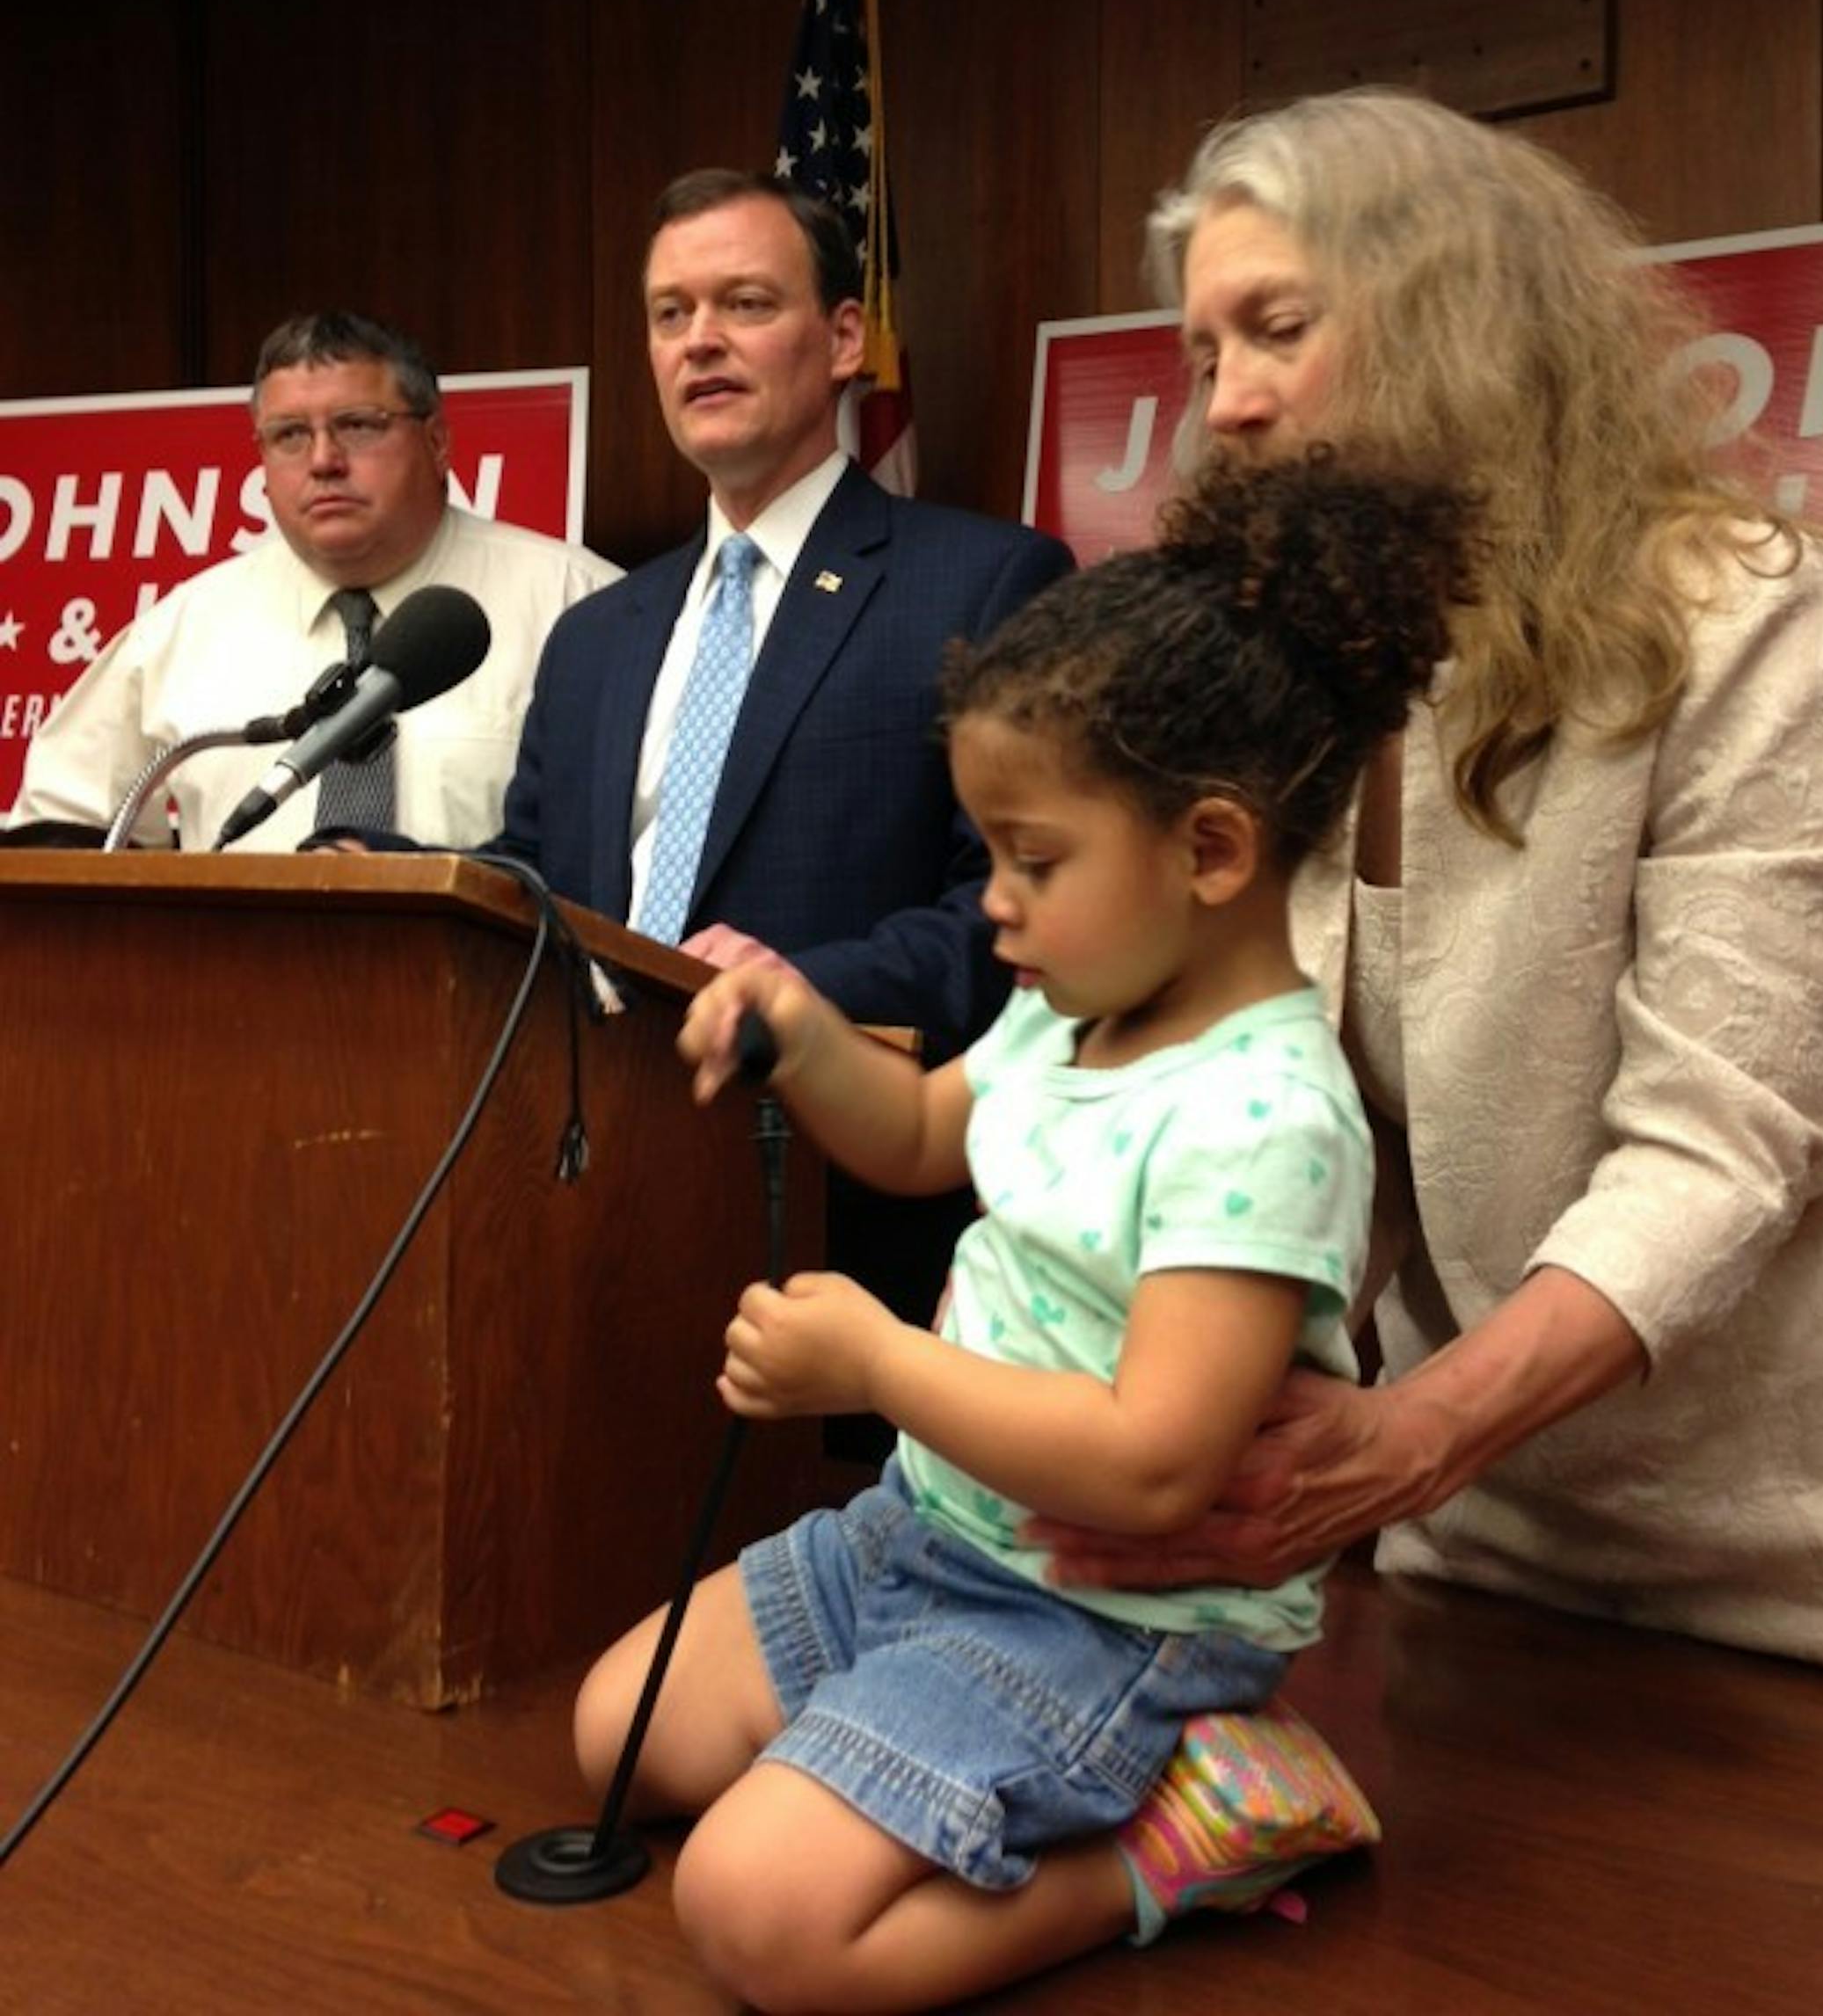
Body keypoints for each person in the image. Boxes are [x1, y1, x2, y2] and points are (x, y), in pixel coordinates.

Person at [570, 455, 1469, 2012]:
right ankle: (908, 1755)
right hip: (934, 1533)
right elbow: (924, 1138)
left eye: (1033, 862)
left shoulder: (1261, 1116)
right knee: (616, 1737)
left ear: (1211, 852)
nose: (994, 903)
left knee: (753, 1920)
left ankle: (1186, 1831)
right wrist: (805, 1023)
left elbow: (1154, 1462)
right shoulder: (1075, 1009)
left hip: (1103, 1614)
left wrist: (875, 1358)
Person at [1032, 86, 1823, 1681]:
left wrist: (1415, 1433)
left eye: (1277, 329)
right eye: (1205, 355)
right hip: (1461, 1547)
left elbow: (1722, 1143)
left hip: (1801, 1573)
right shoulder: (1295, 676)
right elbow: (1257, 1108)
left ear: (1459, 322)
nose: (1225, 404)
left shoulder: (1764, 618)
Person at [483, 171, 1072, 1336]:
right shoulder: (598, 634)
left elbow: (1015, 914)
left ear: (845, 336)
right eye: (669, 314)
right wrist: (396, 882)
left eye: (744, 304)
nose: (699, 342)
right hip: (580, 1200)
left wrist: (795, 1001)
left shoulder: (985, 582)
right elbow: (537, 884)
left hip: (844, 1218)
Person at [4, 312, 619, 853]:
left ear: (436, 443)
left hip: (500, 983)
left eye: (358, 425)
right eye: (290, 435)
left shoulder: (581, 608)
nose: (324, 460)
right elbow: (60, 833)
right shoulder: (180, 632)